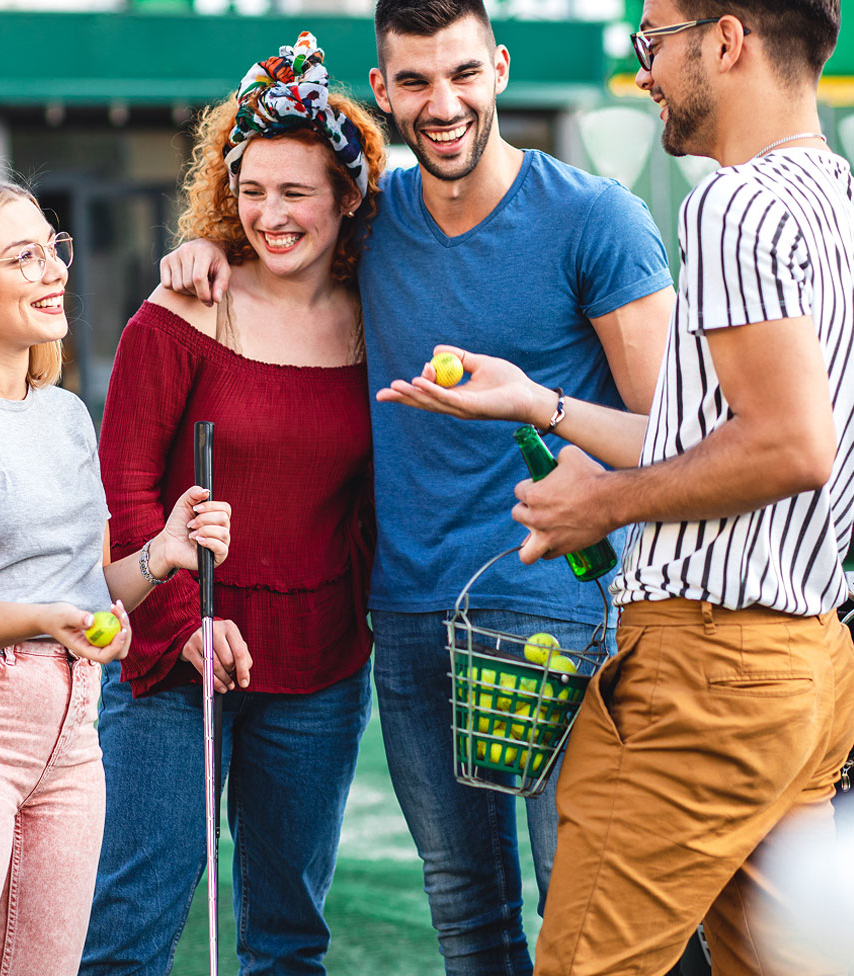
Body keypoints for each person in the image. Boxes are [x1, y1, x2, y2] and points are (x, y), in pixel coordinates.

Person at [159, 2, 676, 972]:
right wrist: (206, 251)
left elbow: (683, 438)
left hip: (564, 617)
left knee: (588, 916)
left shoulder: (595, 220)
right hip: (408, 619)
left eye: (463, 75)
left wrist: (560, 425)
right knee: (467, 919)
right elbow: (276, 238)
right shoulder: (369, 222)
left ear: (501, 71)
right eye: (417, 81)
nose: (444, 104)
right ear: (385, 91)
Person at [382, 2, 854, 973]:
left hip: (711, 660)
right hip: (808, 658)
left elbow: (789, 445)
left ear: (725, 41)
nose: (644, 72)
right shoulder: (833, 195)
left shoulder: (733, 205)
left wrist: (603, 504)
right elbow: (734, 433)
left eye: (656, 43)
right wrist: (542, 405)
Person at [79, 33, 386, 976]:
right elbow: (124, 495)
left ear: (347, 194)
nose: (269, 215)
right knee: (134, 925)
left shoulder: (382, 314)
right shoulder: (181, 312)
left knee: (288, 939)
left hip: (322, 666)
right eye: (250, 190)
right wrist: (181, 628)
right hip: (181, 657)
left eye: (295, 193)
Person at [0, 175, 232, 975]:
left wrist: (161, 554)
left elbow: (87, 592)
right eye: (23, 257)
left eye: (53, 249)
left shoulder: (65, 413)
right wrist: (46, 620)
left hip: (71, 743)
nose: (53, 271)